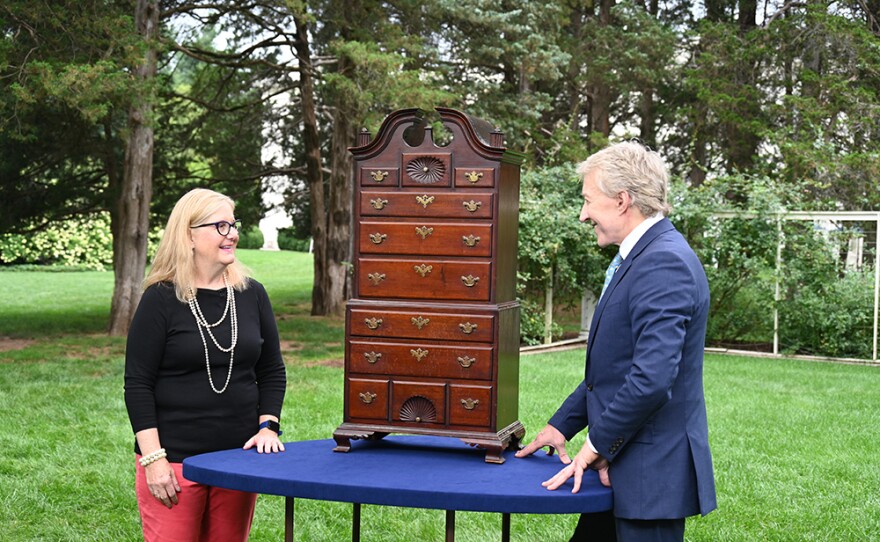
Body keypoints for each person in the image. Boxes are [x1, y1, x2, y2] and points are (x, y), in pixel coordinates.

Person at [516, 142, 716, 542]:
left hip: (647, 475)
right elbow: (615, 369)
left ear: (622, 200)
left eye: (589, 200)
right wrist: (562, 426)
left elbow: (652, 378)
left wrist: (593, 448)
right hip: (623, 466)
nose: (583, 213)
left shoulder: (664, 262)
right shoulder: (643, 255)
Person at [124, 188, 287, 542]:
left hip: (236, 460)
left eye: (233, 224)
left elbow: (271, 369)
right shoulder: (160, 299)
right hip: (175, 463)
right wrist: (154, 460)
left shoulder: (252, 293)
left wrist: (268, 427)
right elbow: (137, 383)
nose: (232, 234)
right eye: (220, 226)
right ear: (189, 235)